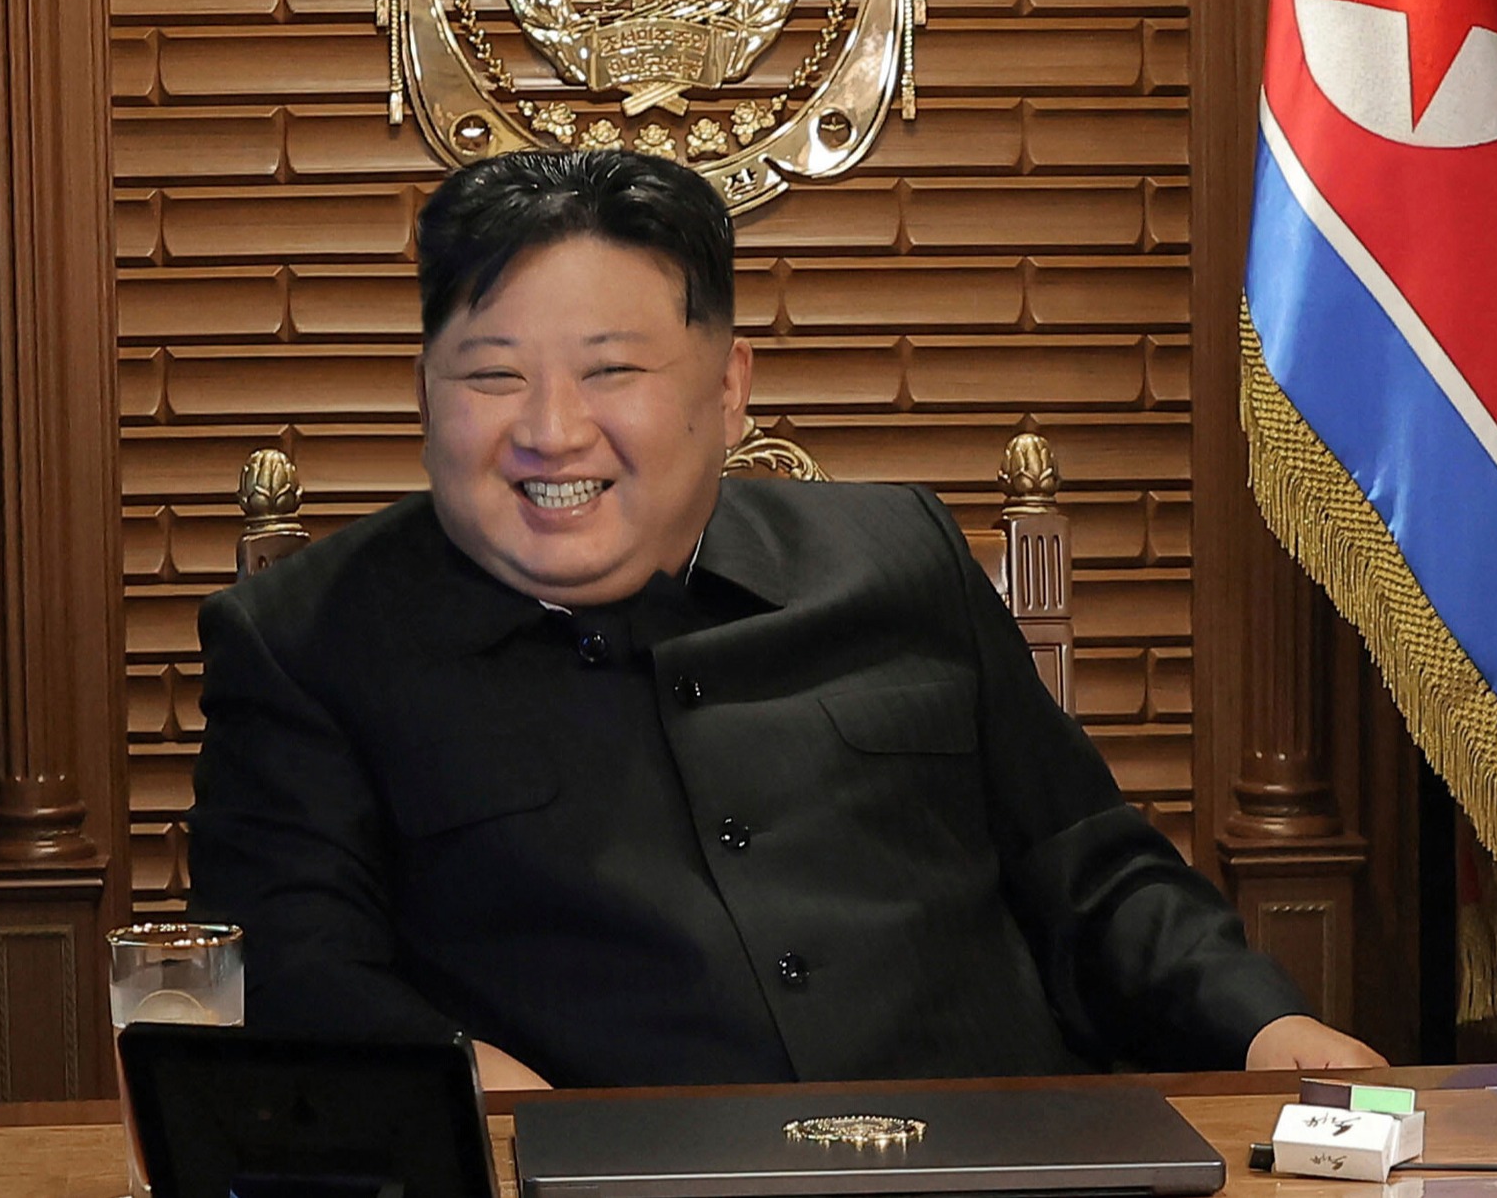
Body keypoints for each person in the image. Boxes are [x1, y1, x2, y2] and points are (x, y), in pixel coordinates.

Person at [187, 150, 1384, 1090]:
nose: (550, 430)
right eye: (491, 373)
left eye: (610, 371)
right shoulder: (302, 641)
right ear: (423, 391)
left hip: (994, 1160)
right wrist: (468, 1088)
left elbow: (1087, 871)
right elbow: (295, 971)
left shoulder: (898, 553)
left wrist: (1263, 1024)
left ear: (727, 388)